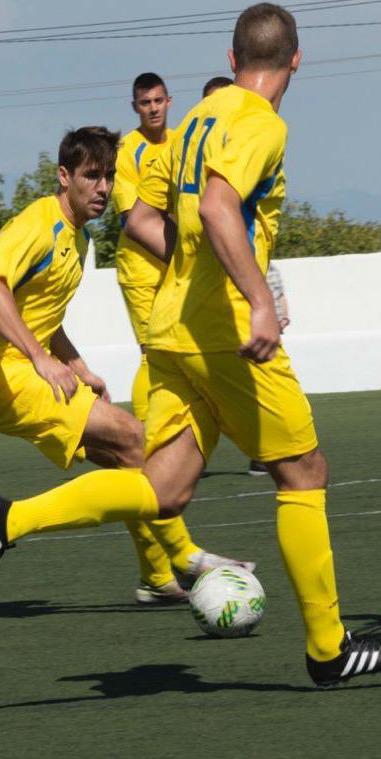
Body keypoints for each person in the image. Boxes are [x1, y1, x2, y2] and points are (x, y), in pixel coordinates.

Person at [0, 4, 381, 687]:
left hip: (169, 330)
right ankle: (327, 646)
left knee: (161, 486)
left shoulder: (194, 122)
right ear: (296, 60)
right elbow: (222, 207)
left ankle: (7, 519)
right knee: (304, 472)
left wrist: (195, 273)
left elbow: (140, 217)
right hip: (223, 335)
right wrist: (257, 298)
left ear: (230, 60)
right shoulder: (260, 122)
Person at [0, 125, 251, 608]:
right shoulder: (39, 224)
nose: (104, 188)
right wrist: (41, 361)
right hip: (6, 377)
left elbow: (40, 315)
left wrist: (77, 365)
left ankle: (158, 577)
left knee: (126, 460)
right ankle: (4, 521)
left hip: (25, 371)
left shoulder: (80, 238)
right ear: (64, 176)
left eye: (110, 176)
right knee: (136, 438)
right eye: (92, 176)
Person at [112, 72, 253, 602]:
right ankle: (151, 447)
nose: (152, 109)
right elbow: (136, 221)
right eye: (143, 103)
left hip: (182, 266)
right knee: (160, 353)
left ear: (169, 102)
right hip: (145, 268)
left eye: (157, 101)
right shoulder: (130, 151)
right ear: (136, 106)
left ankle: (162, 445)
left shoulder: (183, 138)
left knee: (180, 358)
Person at [248, 261, 289, 476]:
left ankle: (265, 455)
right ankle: (261, 455)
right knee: (262, 394)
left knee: (273, 393)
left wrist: (284, 318)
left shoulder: (272, 269)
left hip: (274, 336)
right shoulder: (246, 265)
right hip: (257, 337)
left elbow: (280, 295)